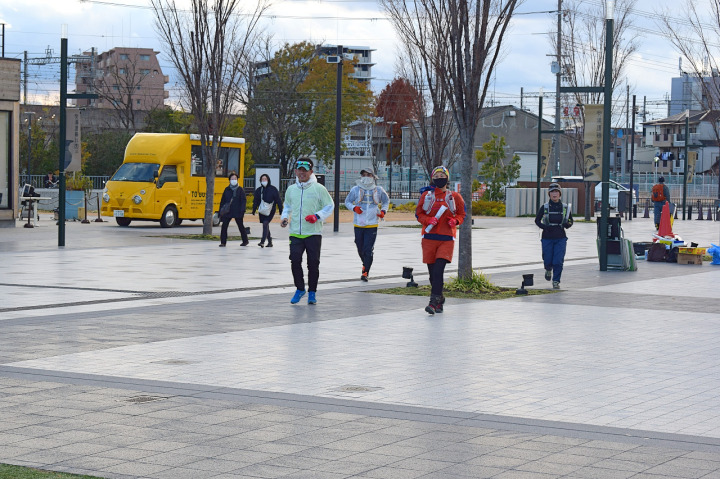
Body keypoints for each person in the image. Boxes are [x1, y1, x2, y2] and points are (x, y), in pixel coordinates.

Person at [280, 158, 334, 305]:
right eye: (300, 170)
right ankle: (300, 288)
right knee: (295, 261)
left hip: (313, 233)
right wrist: (284, 218)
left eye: (305, 170)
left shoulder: (319, 188)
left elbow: (329, 205)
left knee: (313, 263)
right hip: (295, 233)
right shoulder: (291, 189)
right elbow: (287, 206)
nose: (302, 173)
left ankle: (312, 292)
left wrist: (317, 216)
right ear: (296, 171)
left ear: (311, 171)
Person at [415, 165, 466, 315]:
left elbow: (462, 214)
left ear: (447, 178)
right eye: (436, 177)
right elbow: (418, 214)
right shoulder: (426, 196)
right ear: (432, 179)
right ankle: (440, 299)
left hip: (446, 238)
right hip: (429, 238)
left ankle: (432, 302)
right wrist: (428, 220)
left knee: (438, 270)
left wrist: (455, 221)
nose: (439, 179)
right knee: (432, 274)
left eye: (442, 176)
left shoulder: (454, 197)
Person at [344, 167, 390, 281]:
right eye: (364, 175)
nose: (366, 177)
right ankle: (365, 263)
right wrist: (354, 208)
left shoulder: (379, 190)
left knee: (368, 249)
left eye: (368, 175)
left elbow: (386, 201)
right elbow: (347, 201)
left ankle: (365, 272)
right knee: (360, 247)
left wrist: (383, 211)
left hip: (372, 224)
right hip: (358, 223)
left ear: (373, 177)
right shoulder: (355, 189)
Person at [534, 183, 573, 289]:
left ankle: (556, 281)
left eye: (556, 192)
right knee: (547, 259)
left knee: (558, 260)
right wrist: (545, 227)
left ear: (560, 194)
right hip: (547, 237)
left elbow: (570, 220)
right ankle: (548, 269)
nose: (554, 194)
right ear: (549, 194)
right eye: (552, 192)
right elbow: (537, 220)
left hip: (560, 237)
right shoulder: (545, 207)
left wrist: (567, 224)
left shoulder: (565, 207)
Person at [218, 171, 249, 247]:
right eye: (232, 178)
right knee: (224, 226)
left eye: (235, 178)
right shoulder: (227, 189)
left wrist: (242, 210)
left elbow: (243, 200)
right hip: (228, 211)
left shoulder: (240, 189)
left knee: (240, 226)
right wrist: (220, 211)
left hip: (238, 211)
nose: (234, 180)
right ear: (229, 180)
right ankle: (223, 242)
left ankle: (245, 241)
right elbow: (223, 201)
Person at [252, 174, 282, 248]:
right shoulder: (258, 190)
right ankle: (270, 242)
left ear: (268, 180)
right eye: (262, 179)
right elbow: (255, 200)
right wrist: (254, 210)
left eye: (265, 179)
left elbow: (278, 200)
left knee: (265, 224)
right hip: (262, 211)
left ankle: (262, 241)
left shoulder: (273, 189)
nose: (264, 181)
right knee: (266, 225)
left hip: (271, 210)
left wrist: (281, 210)